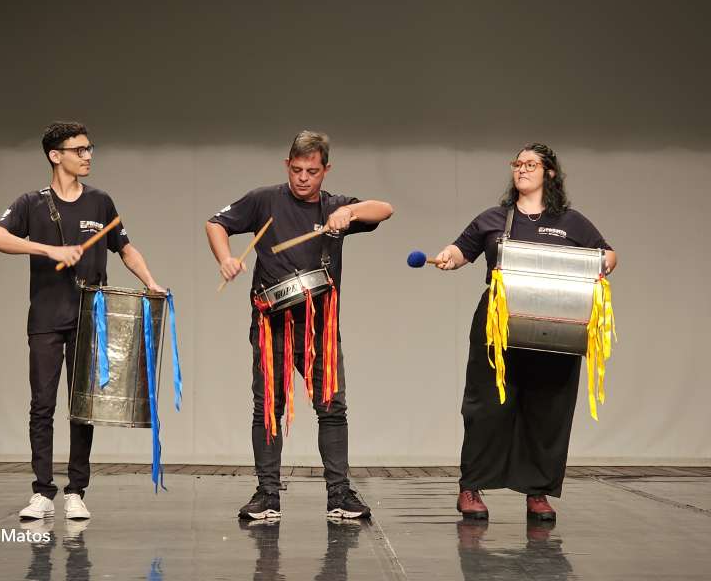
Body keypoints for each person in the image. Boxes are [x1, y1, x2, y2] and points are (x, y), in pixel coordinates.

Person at [206, 130, 393, 520]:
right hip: (272, 323)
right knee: (267, 408)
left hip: (319, 326)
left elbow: (384, 209)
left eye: (312, 171)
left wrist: (350, 213)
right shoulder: (264, 200)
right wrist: (226, 258)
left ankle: (339, 495)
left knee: (332, 408)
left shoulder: (334, 206)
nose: (303, 178)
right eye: (296, 170)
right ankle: (267, 495)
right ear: (286, 165)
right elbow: (216, 224)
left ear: (326, 170)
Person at [0, 121, 165, 520]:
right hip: (46, 317)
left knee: (84, 406)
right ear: (55, 156)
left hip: (90, 317)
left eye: (89, 148)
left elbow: (125, 247)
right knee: (42, 405)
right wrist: (50, 250)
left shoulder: (100, 202)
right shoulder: (31, 203)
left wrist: (151, 281)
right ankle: (42, 492)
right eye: (79, 150)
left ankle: (76, 491)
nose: (87, 156)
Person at [434, 143, 617, 521]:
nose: (521, 169)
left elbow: (608, 254)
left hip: (555, 325)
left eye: (531, 164)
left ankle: (538, 492)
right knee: (486, 406)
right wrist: (449, 257)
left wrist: (601, 265)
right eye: (518, 163)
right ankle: (471, 487)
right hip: (497, 323)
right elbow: (460, 250)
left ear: (550, 173)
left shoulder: (571, 222)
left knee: (548, 408)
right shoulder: (493, 218)